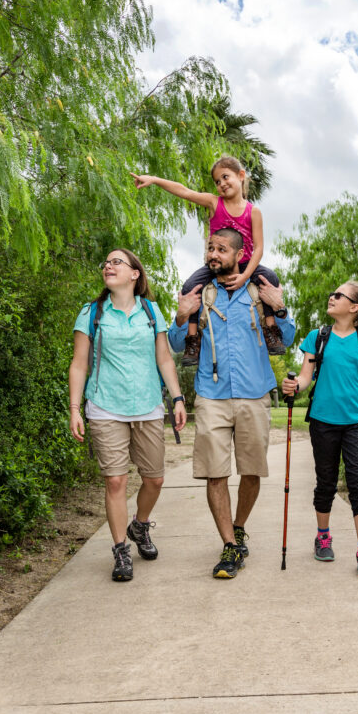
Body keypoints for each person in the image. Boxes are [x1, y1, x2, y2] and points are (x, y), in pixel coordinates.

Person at [168, 229, 295, 579]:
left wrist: (279, 306)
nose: (213, 253)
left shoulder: (260, 291)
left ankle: (239, 527)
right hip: (211, 396)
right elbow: (177, 345)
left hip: (254, 393)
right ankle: (229, 545)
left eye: (221, 249)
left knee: (251, 471)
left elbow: (287, 339)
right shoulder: (200, 293)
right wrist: (181, 316)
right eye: (210, 248)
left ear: (240, 254)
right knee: (215, 472)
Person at [69, 249, 187, 582]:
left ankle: (140, 525)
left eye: (116, 262)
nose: (108, 266)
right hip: (105, 406)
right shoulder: (92, 313)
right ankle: (121, 551)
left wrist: (177, 398)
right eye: (105, 262)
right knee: (116, 480)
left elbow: (164, 359)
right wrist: (75, 408)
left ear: (135, 274)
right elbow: (80, 364)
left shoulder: (151, 310)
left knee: (155, 479)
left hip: (148, 405)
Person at [130, 156, 285, 364]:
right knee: (190, 287)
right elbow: (185, 191)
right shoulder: (214, 203)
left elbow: (259, 248)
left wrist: (245, 276)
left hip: (245, 263)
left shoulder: (253, 212)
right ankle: (193, 340)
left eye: (225, 177)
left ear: (240, 176)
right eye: (217, 181)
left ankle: (271, 330)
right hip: (216, 264)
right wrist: (155, 180)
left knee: (270, 278)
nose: (221, 184)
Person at [282, 281, 358, 578]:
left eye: (339, 295)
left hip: (355, 422)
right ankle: (323, 536)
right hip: (323, 421)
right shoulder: (317, 338)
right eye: (333, 293)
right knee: (326, 482)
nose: (332, 296)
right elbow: (304, 378)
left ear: (354, 308)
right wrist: (294, 386)